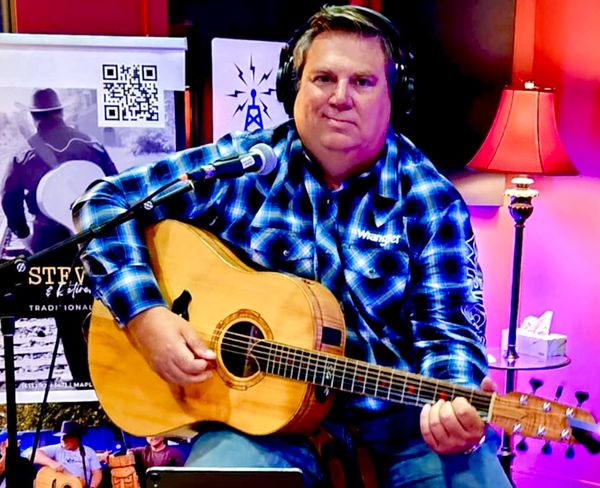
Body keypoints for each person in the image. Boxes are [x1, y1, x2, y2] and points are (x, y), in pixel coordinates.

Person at [73, 5, 511, 488]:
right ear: (292, 87)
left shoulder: (430, 199)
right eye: (323, 78)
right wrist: (147, 319)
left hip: (399, 425)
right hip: (258, 425)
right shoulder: (246, 166)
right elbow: (104, 203)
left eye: (363, 82)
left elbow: (448, 331)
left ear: (395, 97)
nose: (340, 97)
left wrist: (454, 407)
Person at [1, 88, 119, 387]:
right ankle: (111, 375)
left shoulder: (22, 153)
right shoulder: (92, 146)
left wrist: (24, 234)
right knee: (100, 303)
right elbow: (116, 186)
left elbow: (9, 199)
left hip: (51, 243)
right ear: (61, 112)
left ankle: (83, 380)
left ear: (34, 116)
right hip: (93, 236)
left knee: (67, 310)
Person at [33, 421, 103, 488]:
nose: (63, 439)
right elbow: (33, 454)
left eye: (66, 437)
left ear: (76, 438)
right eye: (62, 436)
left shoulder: (89, 452)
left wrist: (92, 486)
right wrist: (51, 463)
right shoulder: (57, 448)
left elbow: (97, 473)